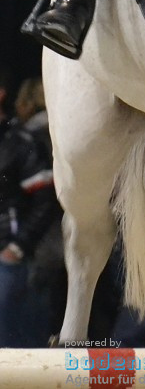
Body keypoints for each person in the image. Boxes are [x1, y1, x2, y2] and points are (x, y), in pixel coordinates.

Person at [0, 75, 56, 346]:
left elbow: (45, 200)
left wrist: (17, 247)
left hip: (11, 261)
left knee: (16, 350)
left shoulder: (20, 141)